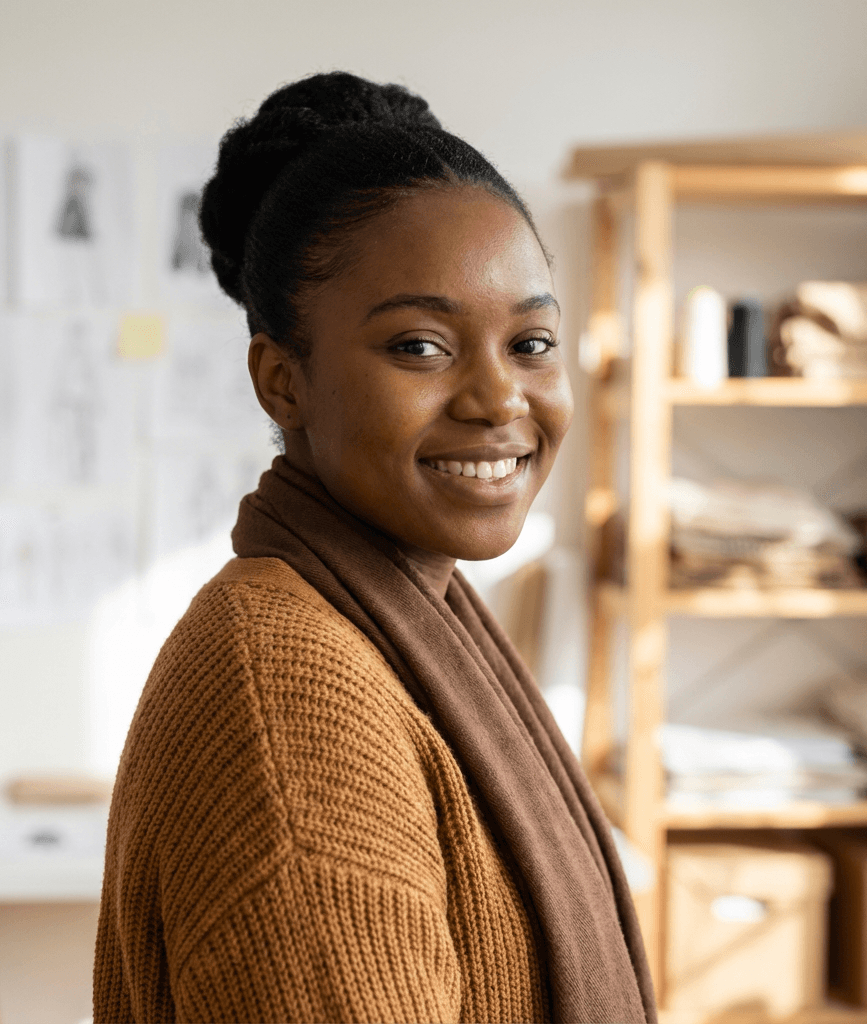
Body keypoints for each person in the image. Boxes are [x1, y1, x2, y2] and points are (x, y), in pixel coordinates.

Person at [94, 71, 655, 1024]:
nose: (499, 400)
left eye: (530, 342)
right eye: (420, 347)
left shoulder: (411, 623)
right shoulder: (288, 690)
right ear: (283, 382)